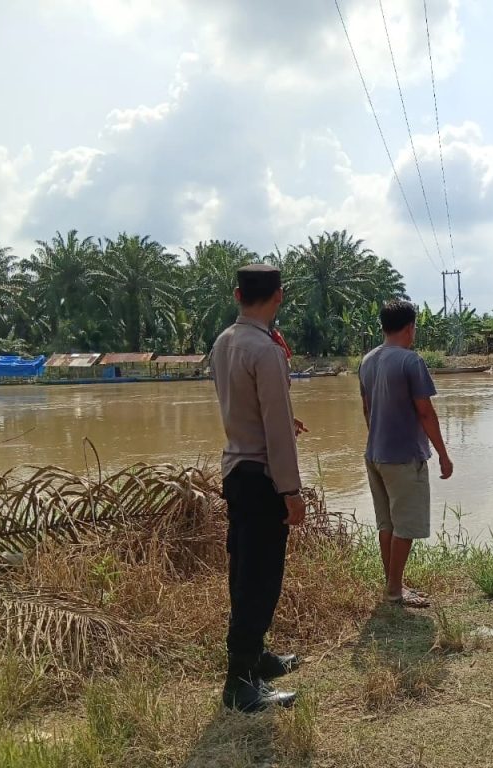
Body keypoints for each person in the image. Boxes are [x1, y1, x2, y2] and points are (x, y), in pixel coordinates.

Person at [210, 263, 307, 712]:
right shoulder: (265, 350)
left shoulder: (225, 343)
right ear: (279, 296)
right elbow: (275, 431)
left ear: (236, 295)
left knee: (246, 571)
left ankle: (256, 658)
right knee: (260, 579)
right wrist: (292, 491)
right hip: (263, 476)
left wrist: (285, 420)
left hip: (236, 469)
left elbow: (248, 409)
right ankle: (240, 683)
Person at [359, 299, 453, 609]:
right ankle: (396, 590)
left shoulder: (367, 361)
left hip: (374, 454)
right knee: (406, 527)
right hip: (403, 457)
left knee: (387, 524)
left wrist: (378, 437)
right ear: (410, 328)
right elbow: (425, 413)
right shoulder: (411, 361)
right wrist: (443, 453)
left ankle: (392, 586)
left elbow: (367, 410)